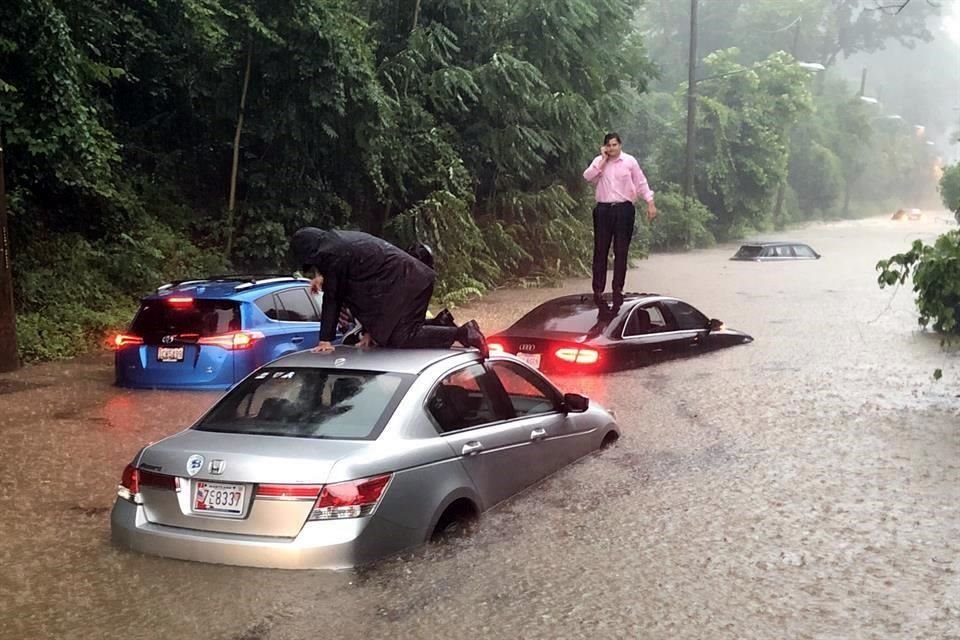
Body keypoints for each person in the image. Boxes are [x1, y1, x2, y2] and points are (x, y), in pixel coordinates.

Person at [290, 227, 488, 357]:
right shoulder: (338, 246)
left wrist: (325, 340)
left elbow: (333, 297)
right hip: (408, 280)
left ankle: (463, 333)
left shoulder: (333, 254)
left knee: (401, 336)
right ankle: (441, 324)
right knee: (392, 335)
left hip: (406, 281)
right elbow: (361, 296)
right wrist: (371, 331)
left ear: (311, 252)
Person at [583, 132, 657, 313]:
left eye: (614, 145)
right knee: (600, 249)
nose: (612, 148)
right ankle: (598, 289)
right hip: (603, 209)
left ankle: (618, 288)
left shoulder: (629, 162)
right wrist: (602, 160)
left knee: (621, 250)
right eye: (608, 145)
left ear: (620, 145)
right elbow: (587, 177)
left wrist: (650, 203)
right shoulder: (599, 161)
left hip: (624, 209)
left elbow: (641, 182)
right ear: (604, 147)